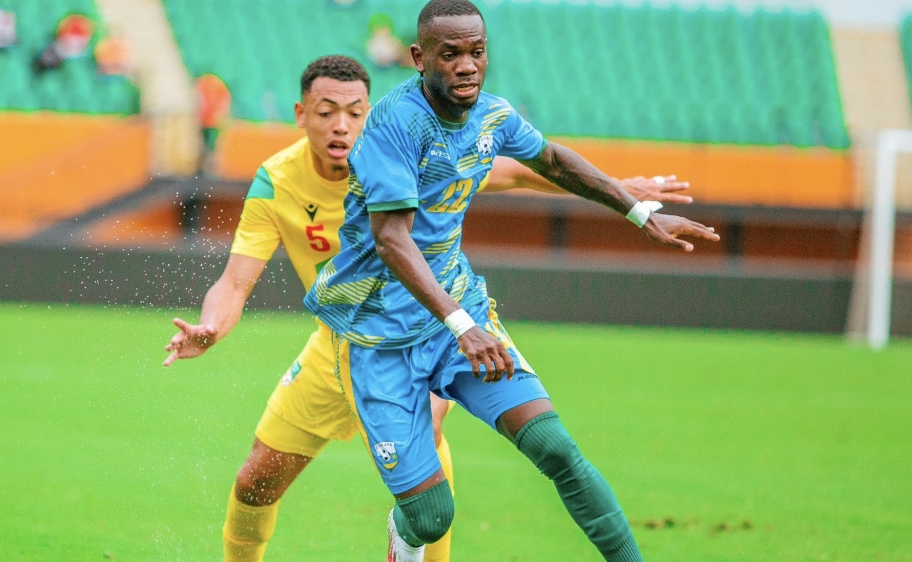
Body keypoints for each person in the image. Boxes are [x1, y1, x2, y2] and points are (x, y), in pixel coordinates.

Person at [162, 55, 691, 562]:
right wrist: (211, 326)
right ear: (301, 114)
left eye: (354, 112)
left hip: (430, 330)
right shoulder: (277, 181)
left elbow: (517, 169)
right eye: (326, 112)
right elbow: (234, 282)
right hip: (340, 347)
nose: (341, 125)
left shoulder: (401, 153)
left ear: (370, 112)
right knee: (256, 482)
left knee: (432, 463)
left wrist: (618, 192)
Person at [301, 0, 721, 562]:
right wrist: (462, 326)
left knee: (555, 447)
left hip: (457, 314)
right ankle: (405, 532)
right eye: (450, 54)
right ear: (419, 58)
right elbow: (392, 239)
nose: (467, 66)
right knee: (431, 516)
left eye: (477, 52)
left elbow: (554, 161)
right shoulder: (393, 124)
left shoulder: (493, 116)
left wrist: (640, 213)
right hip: (378, 337)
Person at [196, 73, 232, 175]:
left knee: (214, 144)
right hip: (204, 121)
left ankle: (211, 165)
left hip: (214, 122)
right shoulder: (203, 88)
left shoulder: (219, 89)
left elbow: (224, 102)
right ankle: (204, 165)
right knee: (202, 143)